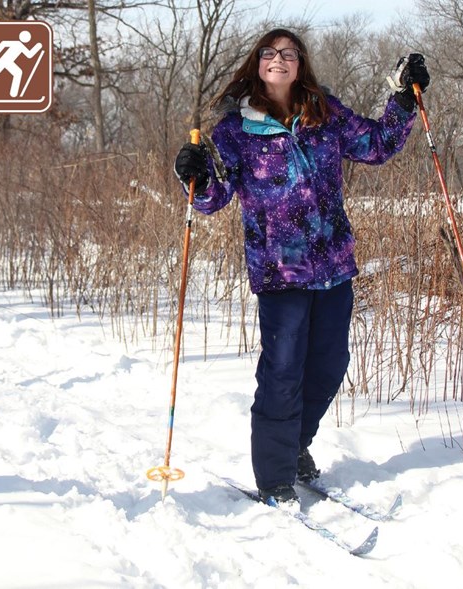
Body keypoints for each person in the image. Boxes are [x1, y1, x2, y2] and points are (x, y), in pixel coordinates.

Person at [174, 28, 429, 506]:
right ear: (256, 63)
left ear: (300, 64)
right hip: (279, 270)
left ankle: (294, 447)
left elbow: (376, 145)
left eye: (289, 53)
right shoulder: (234, 131)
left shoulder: (324, 114)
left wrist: (403, 98)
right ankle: (274, 474)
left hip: (334, 263)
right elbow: (213, 199)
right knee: (283, 369)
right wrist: (195, 174)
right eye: (270, 52)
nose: (279, 59)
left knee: (331, 365)